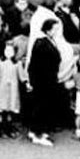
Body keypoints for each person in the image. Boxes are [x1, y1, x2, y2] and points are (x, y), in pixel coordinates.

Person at [28, 18, 63, 147]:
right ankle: (39, 134)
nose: (57, 31)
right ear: (48, 30)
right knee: (42, 107)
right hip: (43, 81)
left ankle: (35, 131)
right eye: (55, 29)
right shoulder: (42, 43)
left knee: (42, 106)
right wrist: (33, 80)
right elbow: (35, 64)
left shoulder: (48, 41)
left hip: (48, 80)